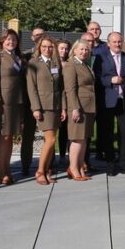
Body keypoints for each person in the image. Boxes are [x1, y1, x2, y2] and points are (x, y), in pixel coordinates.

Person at [95, 31, 125, 177]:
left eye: (119, 41)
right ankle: (110, 163)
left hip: (124, 101)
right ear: (108, 44)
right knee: (107, 134)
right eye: (114, 42)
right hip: (107, 101)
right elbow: (97, 78)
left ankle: (124, 164)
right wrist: (110, 81)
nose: (117, 44)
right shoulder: (101, 58)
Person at [0, 29, 24, 186]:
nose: (11, 42)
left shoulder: (16, 56)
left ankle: (7, 169)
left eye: (14, 40)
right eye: (8, 39)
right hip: (3, 101)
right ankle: (1, 171)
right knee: (4, 136)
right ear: (2, 41)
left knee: (10, 137)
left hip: (17, 101)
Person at [26, 35, 65, 185]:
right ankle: (40, 171)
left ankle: (47, 170)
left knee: (51, 140)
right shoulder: (33, 63)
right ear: (39, 48)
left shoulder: (56, 63)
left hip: (55, 106)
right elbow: (31, 88)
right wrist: (35, 108)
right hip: (43, 107)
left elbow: (60, 88)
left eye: (50, 47)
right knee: (51, 140)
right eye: (44, 47)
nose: (47, 49)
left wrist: (63, 108)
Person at [64, 39, 98, 180]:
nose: (84, 52)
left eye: (86, 50)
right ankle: (73, 168)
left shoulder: (83, 64)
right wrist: (75, 108)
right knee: (77, 139)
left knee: (83, 139)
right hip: (79, 107)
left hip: (88, 106)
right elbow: (70, 89)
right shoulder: (71, 64)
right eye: (81, 49)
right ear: (75, 50)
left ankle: (79, 167)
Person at [19, 25, 46, 176]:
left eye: (41, 34)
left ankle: (46, 164)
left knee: (48, 136)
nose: (39, 37)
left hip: (47, 101)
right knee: (28, 135)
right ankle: (25, 165)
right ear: (32, 38)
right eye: (36, 35)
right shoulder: (26, 56)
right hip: (29, 102)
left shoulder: (51, 54)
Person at [55, 39, 73, 169]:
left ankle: (63, 155)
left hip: (66, 99)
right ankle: (50, 158)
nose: (64, 51)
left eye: (66, 48)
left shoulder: (70, 64)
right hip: (52, 99)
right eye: (61, 48)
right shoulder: (52, 63)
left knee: (64, 130)